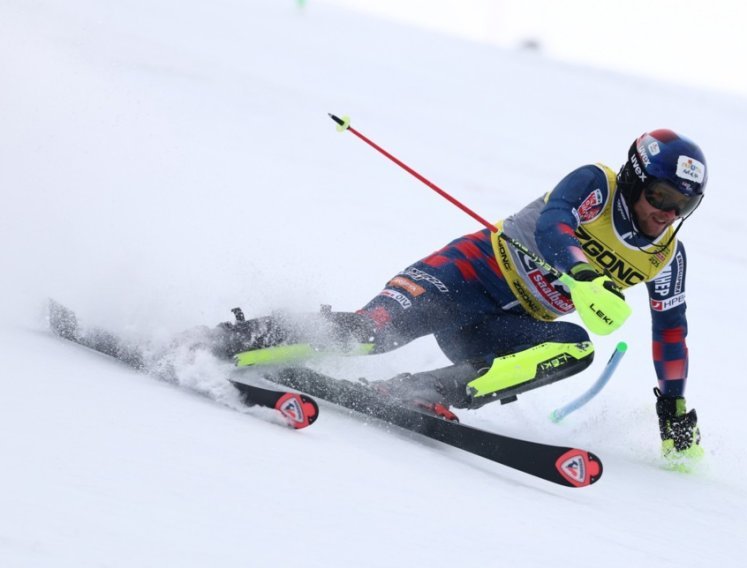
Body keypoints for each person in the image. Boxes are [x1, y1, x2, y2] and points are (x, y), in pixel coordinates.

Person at [214, 129, 706, 462]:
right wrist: (580, 271)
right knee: (370, 336)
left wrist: (674, 409)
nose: (667, 212)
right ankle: (235, 337)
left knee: (576, 346)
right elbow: (557, 220)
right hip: (467, 276)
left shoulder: (666, 257)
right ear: (638, 179)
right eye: (661, 196)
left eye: (682, 205)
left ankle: (423, 390)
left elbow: (670, 333)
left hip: (494, 331)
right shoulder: (597, 183)